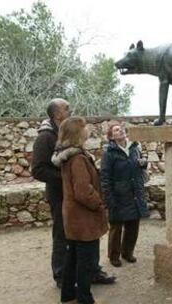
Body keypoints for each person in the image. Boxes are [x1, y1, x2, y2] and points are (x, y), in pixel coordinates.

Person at [31, 98, 115, 288]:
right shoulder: (45, 137)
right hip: (61, 197)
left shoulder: (69, 132)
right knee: (62, 235)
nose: (70, 110)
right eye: (66, 108)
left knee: (89, 233)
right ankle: (62, 277)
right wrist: (69, 179)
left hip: (79, 194)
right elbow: (37, 170)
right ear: (56, 114)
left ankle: (92, 271)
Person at [52, 116, 107, 304]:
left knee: (73, 259)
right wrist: (99, 204)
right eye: (84, 127)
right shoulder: (77, 159)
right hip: (84, 219)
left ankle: (68, 297)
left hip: (74, 217)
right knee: (85, 262)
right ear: (77, 132)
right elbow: (83, 192)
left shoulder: (69, 155)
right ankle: (84, 299)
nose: (87, 130)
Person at [100, 121, 149, 267]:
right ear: (111, 136)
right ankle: (114, 256)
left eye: (121, 129)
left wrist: (143, 163)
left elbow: (139, 167)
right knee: (116, 227)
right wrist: (109, 198)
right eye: (116, 130)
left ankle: (127, 252)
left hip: (134, 192)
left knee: (133, 225)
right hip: (118, 194)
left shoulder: (134, 148)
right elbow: (105, 177)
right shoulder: (108, 153)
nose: (120, 131)